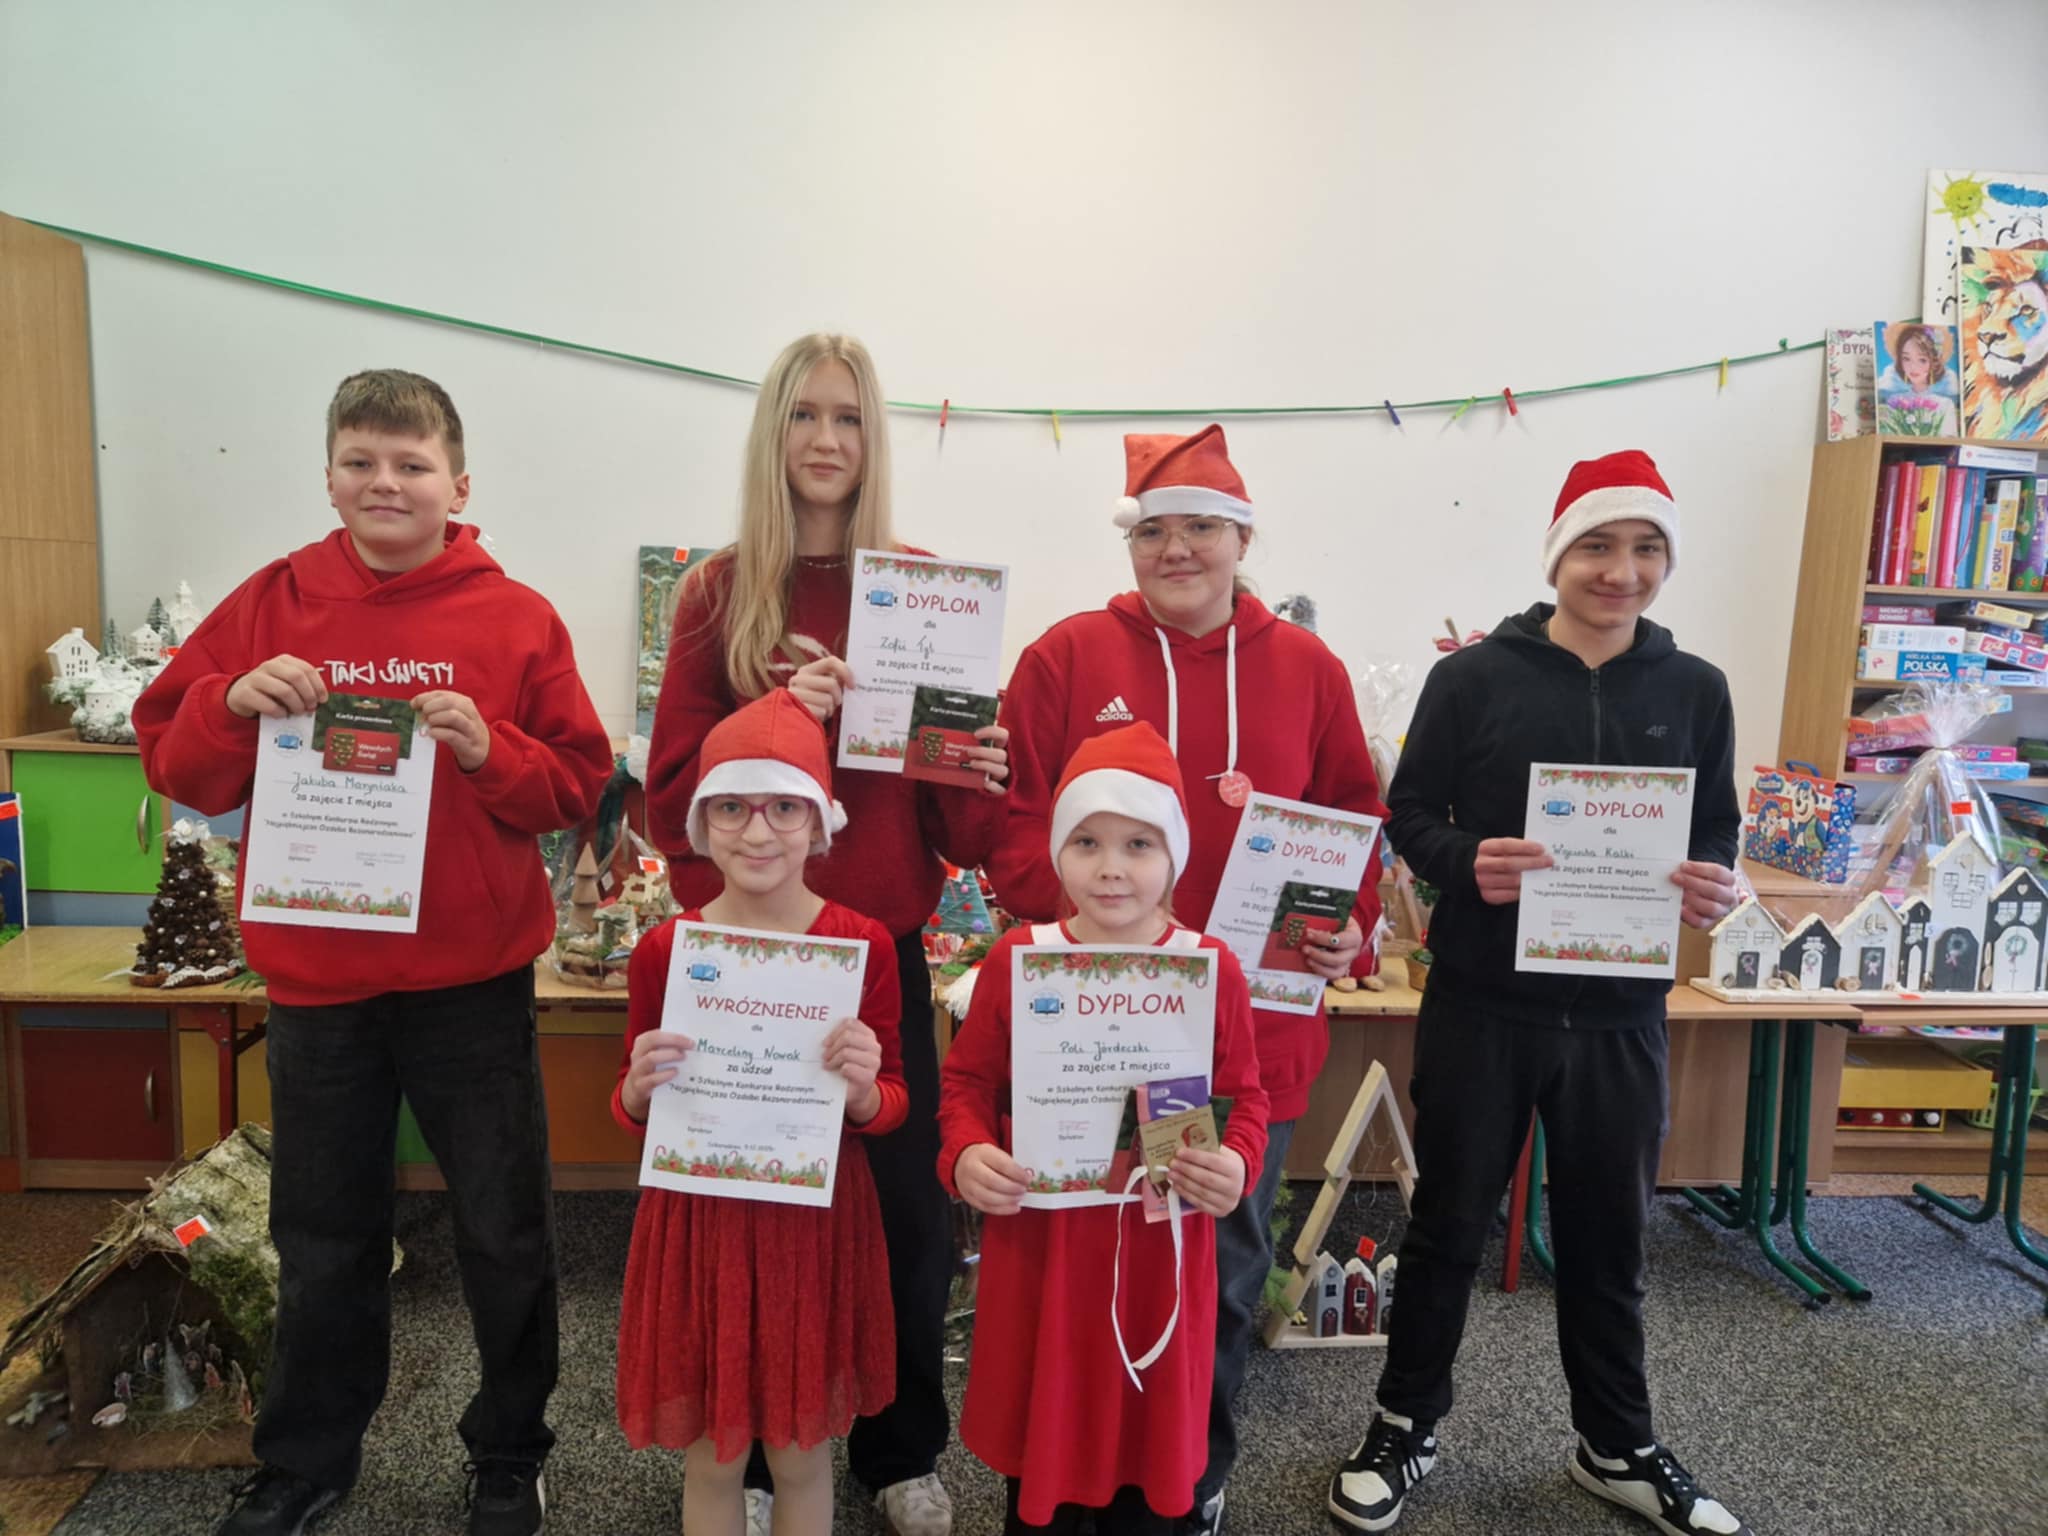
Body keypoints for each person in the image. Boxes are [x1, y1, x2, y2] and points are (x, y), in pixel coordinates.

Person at [134, 370, 614, 1536]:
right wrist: (228, 702)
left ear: (459, 485)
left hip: (470, 986)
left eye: (410, 464)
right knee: (320, 1238)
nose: (385, 483)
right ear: (330, 476)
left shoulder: (517, 618)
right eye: (361, 461)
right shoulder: (271, 602)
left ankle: (510, 1450)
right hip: (319, 989)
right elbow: (175, 763)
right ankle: (305, 1462)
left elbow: (576, 787)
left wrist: (491, 750)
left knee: (503, 1230)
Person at [1325, 450, 1751, 1536]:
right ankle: (1402, 1424)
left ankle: (1616, 1445)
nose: (1620, 571)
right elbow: (1408, 814)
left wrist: (1714, 878)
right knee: (1446, 1227)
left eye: (1644, 549)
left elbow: (1714, 823)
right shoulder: (1472, 679)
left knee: (1611, 1239)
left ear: (1665, 562)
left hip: (1620, 1014)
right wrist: (1464, 861)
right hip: (1483, 1002)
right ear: (1557, 555)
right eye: (1597, 546)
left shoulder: (1696, 688)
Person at [986, 423, 1386, 1534]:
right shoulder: (1066, 657)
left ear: (1241, 538)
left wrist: (1347, 927)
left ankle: (1190, 1481)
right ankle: (1067, 1469)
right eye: (1152, 530)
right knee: (1080, 1262)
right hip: (1089, 1034)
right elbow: (1011, 826)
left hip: (1238, 1047)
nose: (1176, 550)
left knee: (1213, 1264)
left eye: (1200, 527)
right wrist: (1082, 922)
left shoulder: (1307, 669)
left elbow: (1354, 820)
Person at [646, 333, 1009, 1536]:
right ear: (773, 432)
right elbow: (668, 805)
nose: (824, 439)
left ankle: (897, 1452)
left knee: (902, 1226)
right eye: (803, 414)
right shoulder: (717, 592)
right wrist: (773, 720)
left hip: (877, 960)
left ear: (872, 439)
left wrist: (977, 761)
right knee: (755, 1222)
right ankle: (753, 1464)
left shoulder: (924, 591)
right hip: (750, 960)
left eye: (848, 418)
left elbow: (963, 833)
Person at [939, 724, 1269, 1533]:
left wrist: (1236, 1161)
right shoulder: (1020, 960)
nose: (1112, 866)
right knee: (1043, 1467)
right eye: (1086, 841)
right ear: (1058, 850)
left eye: (1138, 843)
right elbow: (968, 1083)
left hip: (1160, 1252)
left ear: (1174, 854)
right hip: (1045, 1250)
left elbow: (1245, 1097)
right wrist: (967, 1151)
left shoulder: (1208, 968)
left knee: (1146, 1473)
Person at [614, 689, 904, 1536]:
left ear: (819, 824)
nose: (757, 831)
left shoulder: (863, 945)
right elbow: (632, 1104)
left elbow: (891, 1106)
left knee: (800, 1451)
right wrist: (635, 1090)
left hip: (811, 1226)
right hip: (700, 1222)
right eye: (732, 808)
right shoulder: (667, 950)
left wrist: (863, 1090)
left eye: (784, 807)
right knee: (710, 1453)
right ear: (703, 825)